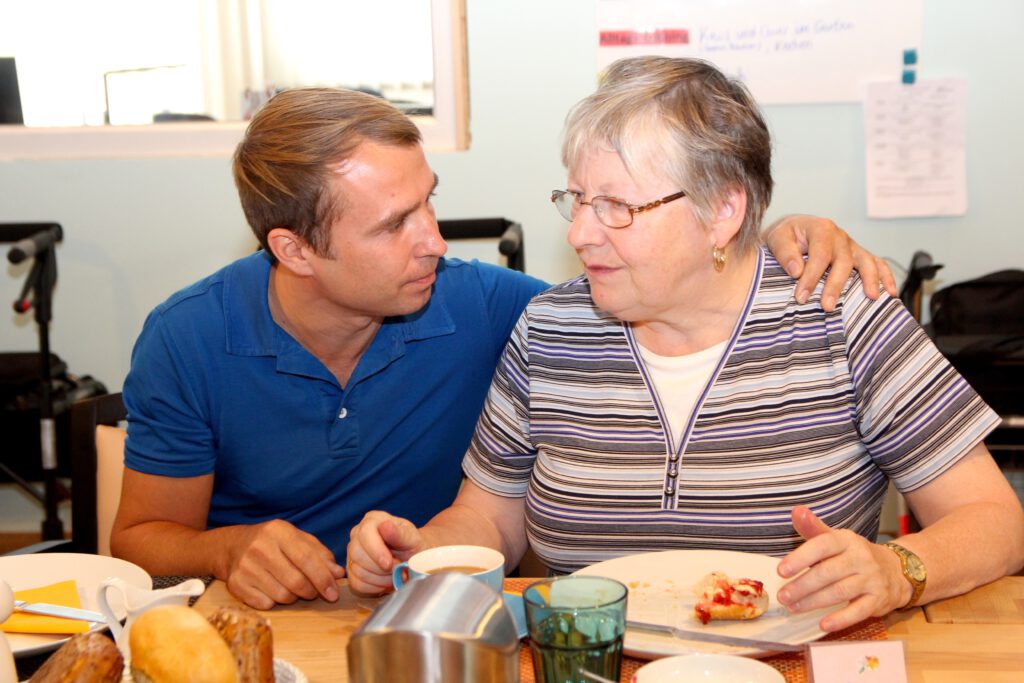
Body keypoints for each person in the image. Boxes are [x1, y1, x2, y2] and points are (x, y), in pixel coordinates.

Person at [110, 85, 894, 610]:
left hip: (429, 610)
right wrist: (229, 548)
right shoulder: (188, 338)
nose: (435, 241)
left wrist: (774, 236)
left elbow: (655, 286)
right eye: (394, 225)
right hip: (275, 619)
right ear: (296, 250)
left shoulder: (492, 308)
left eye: (430, 203)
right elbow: (139, 540)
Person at [346, 58, 1024, 633]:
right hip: (592, 660)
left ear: (722, 212)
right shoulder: (550, 329)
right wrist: (424, 547)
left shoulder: (839, 316)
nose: (581, 232)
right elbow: (489, 518)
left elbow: (994, 520)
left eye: (617, 205)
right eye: (577, 199)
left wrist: (898, 569)